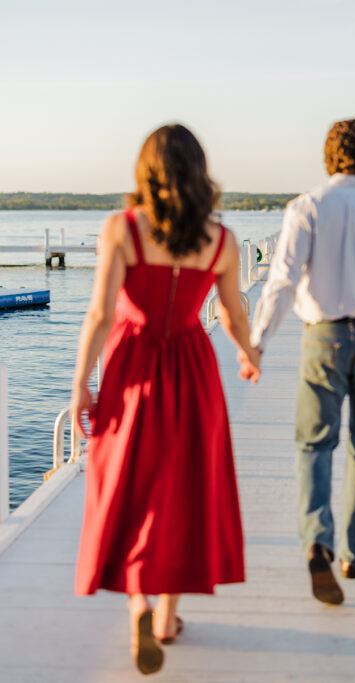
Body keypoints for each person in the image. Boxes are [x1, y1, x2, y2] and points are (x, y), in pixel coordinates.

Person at [71, 124, 261, 674]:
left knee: (128, 477)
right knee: (184, 482)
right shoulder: (220, 241)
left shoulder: (122, 228)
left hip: (132, 364)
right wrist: (246, 354)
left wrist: (81, 381)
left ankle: (138, 600)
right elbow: (231, 313)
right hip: (190, 368)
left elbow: (102, 314)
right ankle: (166, 618)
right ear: (200, 172)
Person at [247, 119, 355, 605]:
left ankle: (317, 542)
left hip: (322, 339)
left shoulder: (307, 208)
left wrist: (257, 342)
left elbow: (281, 282)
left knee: (313, 446)